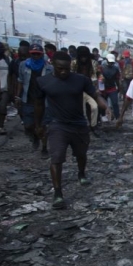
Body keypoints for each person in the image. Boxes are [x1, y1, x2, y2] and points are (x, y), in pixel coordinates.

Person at [32, 51, 109, 209]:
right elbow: (38, 105)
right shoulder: (43, 81)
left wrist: (103, 104)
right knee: (57, 158)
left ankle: (81, 173)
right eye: (60, 68)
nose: (64, 72)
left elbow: (94, 93)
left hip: (79, 124)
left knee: (81, 154)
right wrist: (38, 124)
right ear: (52, 64)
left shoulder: (80, 80)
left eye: (66, 68)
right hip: (57, 125)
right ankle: (58, 193)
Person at [16, 44, 53, 156]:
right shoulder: (23, 65)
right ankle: (35, 137)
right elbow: (20, 81)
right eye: (33, 54)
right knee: (28, 125)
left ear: (41, 54)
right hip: (28, 99)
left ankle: (44, 148)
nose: (35, 56)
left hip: (43, 102)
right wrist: (17, 96)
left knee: (43, 125)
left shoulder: (49, 68)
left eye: (38, 54)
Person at [99, 53, 121, 120]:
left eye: (112, 62)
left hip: (112, 88)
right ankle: (103, 116)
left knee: (115, 103)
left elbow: (117, 79)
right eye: (109, 62)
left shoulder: (116, 69)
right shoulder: (101, 68)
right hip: (104, 88)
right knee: (103, 103)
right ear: (106, 60)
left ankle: (117, 117)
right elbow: (98, 78)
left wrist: (119, 87)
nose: (111, 63)